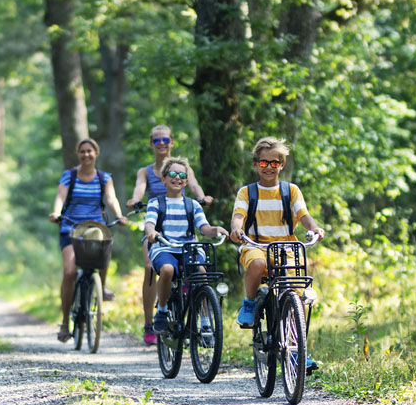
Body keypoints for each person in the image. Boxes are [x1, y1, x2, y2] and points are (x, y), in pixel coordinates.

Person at [229, 137, 325, 361]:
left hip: (286, 248)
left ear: (282, 165)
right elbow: (238, 217)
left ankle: (297, 352)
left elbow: (304, 216)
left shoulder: (290, 191)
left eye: (275, 163)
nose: (269, 167)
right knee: (258, 263)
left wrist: (315, 229)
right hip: (256, 244)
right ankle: (250, 302)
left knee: (296, 297)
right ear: (255, 164)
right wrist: (236, 230)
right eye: (264, 163)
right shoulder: (247, 192)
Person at [127, 125, 214, 345]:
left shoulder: (182, 169)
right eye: (157, 141)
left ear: (172, 142)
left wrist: (203, 198)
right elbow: (139, 188)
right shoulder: (145, 171)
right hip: (157, 231)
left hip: (182, 233)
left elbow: (194, 187)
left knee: (196, 268)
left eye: (165, 140)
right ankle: (151, 322)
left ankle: (197, 313)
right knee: (150, 268)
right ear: (151, 144)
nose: (162, 144)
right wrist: (135, 200)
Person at [49, 138, 128, 342]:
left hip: (95, 228)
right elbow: (60, 197)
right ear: (78, 154)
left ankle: (101, 286)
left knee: (104, 243)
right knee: (69, 272)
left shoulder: (104, 178)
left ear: (96, 153)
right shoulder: (69, 176)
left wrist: (118, 216)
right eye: (82, 151)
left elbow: (111, 199)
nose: (86, 155)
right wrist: (56, 212)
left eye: (90, 151)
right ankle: (65, 322)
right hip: (71, 228)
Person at [144, 157, 227, 334]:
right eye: (172, 174)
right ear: (164, 178)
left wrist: (216, 230)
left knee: (201, 273)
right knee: (167, 270)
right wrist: (152, 232)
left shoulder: (193, 205)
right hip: (164, 247)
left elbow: (204, 229)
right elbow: (149, 224)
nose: (177, 178)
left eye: (182, 175)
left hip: (189, 249)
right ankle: (163, 310)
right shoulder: (156, 203)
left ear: (187, 181)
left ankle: (205, 321)